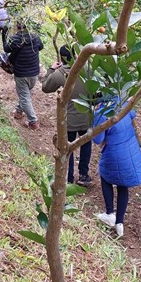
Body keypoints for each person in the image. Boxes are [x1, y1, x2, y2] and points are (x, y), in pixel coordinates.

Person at [92, 96, 141, 238]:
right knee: (123, 185)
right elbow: (133, 113)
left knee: (105, 177)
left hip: (114, 152)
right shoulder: (122, 103)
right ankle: (120, 223)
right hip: (130, 148)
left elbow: (97, 140)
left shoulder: (102, 113)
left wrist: (94, 116)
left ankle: (109, 213)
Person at [42, 45, 93, 186]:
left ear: (62, 58)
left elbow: (45, 87)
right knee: (86, 144)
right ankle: (83, 175)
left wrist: (51, 69)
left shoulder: (60, 74)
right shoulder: (87, 70)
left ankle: (68, 177)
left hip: (68, 120)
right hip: (86, 117)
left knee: (67, 148)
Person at [4, 19, 43, 130]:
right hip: (34, 73)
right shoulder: (34, 37)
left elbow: (6, 48)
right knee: (26, 94)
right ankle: (19, 111)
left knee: (25, 97)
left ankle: (33, 122)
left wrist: (4, 35)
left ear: (17, 27)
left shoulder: (16, 39)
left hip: (22, 73)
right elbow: (41, 47)